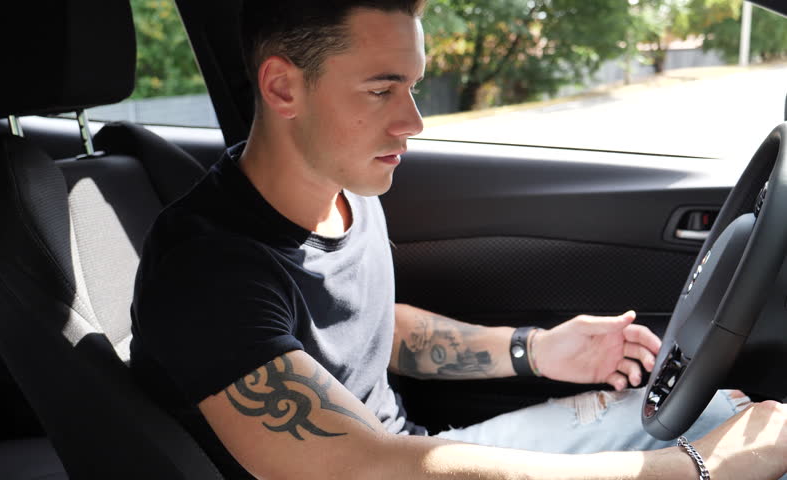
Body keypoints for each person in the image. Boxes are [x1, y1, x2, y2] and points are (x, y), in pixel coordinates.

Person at [129, 1, 787, 478]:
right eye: (382, 89)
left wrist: (538, 350)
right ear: (282, 86)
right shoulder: (204, 272)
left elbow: (374, 330)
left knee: (725, 410)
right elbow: (359, 469)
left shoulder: (345, 186)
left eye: (411, 86)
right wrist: (704, 468)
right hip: (385, 471)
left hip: (411, 454)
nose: (412, 121)